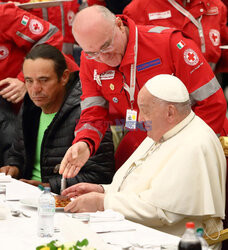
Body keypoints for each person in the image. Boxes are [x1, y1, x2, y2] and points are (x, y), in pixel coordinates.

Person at [59, 5, 228, 178]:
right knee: (121, 183)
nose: (103, 57)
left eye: (106, 46)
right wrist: (85, 142)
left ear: (119, 25)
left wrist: (186, 151)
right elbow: (93, 114)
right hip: (144, 134)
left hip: (193, 134)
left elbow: (213, 104)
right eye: (92, 52)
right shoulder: (89, 60)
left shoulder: (170, 44)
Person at [62, 74, 226, 250]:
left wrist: (102, 202)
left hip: (176, 241)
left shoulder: (195, 144)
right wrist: (103, 190)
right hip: (143, 233)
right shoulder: (164, 129)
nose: (139, 119)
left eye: (145, 110)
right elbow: (142, 189)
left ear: (170, 112)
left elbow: (162, 211)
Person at [0, 44, 115, 194]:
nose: (35, 89)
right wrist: (12, 168)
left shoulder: (88, 113)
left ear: (64, 77)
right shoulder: (30, 105)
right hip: (27, 197)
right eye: (29, 81)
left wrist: (47, 186)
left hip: (65, 202)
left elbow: (101, 175)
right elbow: (17, 154)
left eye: (44, 80)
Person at [123, 0, 228, 73]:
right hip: (164, 94)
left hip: (207, 89)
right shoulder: (138, 9)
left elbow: (221, 48)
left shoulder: (215, 5)